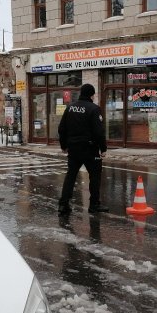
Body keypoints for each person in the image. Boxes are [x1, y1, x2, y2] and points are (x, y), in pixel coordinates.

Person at [57, 83, 109, 215]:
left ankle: (63, 204)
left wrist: (64, 145)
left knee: (71, 175)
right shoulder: (94, 109)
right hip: (90, 149)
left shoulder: (70, 108)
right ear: (92, 95)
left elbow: (61, 129)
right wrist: (103, 148)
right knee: (95, 176)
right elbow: (99, 132)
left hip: (73, 148)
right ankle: (94, 205)